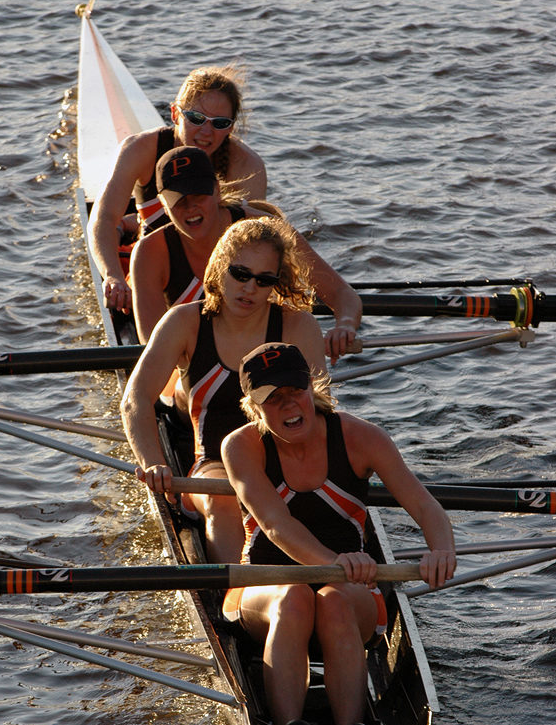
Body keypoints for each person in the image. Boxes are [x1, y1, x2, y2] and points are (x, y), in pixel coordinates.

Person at [220, 342, 456, 725]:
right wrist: (338, 563)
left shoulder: (362, 438)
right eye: (273, 399)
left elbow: (425, 505)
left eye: (295, 391)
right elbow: (276, 525)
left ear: (312, 387)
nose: (290, 406)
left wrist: (441, 551)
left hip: (347, 592)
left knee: (331, 600)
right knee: (295, 596)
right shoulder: (241, 446)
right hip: (264, 588)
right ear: (252, 407)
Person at [121, 217, 327, 564]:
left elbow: (321, 412)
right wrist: (153, 464)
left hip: (284, 462)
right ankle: (233, 601)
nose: (249, 289)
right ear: (219, 266)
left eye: (264, 281)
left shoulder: (297, 326)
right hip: (214, 469)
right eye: (240, 274)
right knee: (226, 500)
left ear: (278, 283)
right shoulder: (184, 322)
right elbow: (135, 400)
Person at [130, 146, 362, 363]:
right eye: (178, 200)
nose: (190, 208)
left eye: (199, 195)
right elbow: (152, 346)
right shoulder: (150, 252)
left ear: (217, 191)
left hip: (268, 367)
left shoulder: (267, 231)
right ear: (162, 204)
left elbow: (343, 294)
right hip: (189, 376)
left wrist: (345, 325)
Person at [88, 65, 266, 315]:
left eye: (220, 123)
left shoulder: (248, 167)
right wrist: (113, 277)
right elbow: (103, 218)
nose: (206, 132)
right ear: (175, 114)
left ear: (231, 128)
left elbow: (255, 249)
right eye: (196, 119)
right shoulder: (141, 150)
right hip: (154, 274)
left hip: (217, 279)